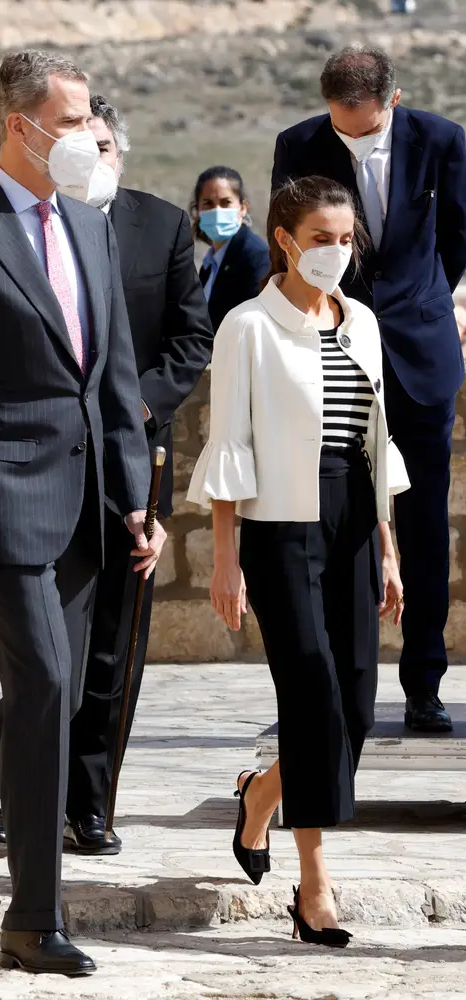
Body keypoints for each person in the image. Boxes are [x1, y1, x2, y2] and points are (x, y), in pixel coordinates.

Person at [0, 49, 166, 977]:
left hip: (90, 504)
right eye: (73, 120)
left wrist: (136, 497)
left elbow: (115, 379)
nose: (91, 136)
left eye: (94, 119)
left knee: (39, 694)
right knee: (48, 689)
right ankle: (33, 921)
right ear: (19, 126)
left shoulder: (91, 230)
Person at [0, 93, 214, 854]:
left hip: (130, 458)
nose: (93, 155)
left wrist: (131, 407)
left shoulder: (159, 225)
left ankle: (90, 802)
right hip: (34, 469)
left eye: (104, 144)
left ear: (122, 152)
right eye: (82, 138)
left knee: (113, 643)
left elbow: (188, 339)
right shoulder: (16, 231)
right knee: (39, 651)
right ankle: (19, 802)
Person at [188, 176, 408, 945]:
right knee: (312, 697)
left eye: (345, 240)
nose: (335, 253)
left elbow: (374, 445)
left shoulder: (364, 323)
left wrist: (386, 547)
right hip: (280, 526)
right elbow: (231, 443)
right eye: (320, 238)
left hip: (352, 517)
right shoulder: (248, 327)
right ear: (282, 237)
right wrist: (224, 557)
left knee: (350, 707)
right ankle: (313, 888)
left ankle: (260, 796)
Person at [271, 45, 466, 733]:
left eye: (363, 128)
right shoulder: (296, 145)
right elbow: (287, 246)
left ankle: (423, 685)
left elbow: (454, 239)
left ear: (393, 99)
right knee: (334, 513)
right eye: (339, 126)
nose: (349, 139)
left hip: (419, 353)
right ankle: (333, 683)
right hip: (329, 352)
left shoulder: (442, 141)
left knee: (420, 523)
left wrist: (414, 300)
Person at [192, 166, 269, 332]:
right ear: (197, 211)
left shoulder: (255, 257)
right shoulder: (210, 263)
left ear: (243, 208)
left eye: (226, 203)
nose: (217, 211)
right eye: (208, 204)